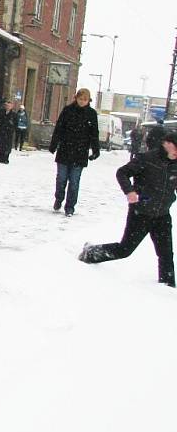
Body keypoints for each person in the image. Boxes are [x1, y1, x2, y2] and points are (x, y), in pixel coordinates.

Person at [79, 131, 177, 287]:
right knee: (124, 250)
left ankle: (167, 286)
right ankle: (90, 253)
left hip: (162, 215)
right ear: (167, 144)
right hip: (141, 213)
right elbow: (122, 173)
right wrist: (129, 191)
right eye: (176, 149)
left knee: (166, 255)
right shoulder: (147, 159)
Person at [48, 88, 100, 216]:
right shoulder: (67, 110)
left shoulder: (91, 114)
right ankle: (59, 198)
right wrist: (54, 144)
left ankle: (70, 207)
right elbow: (59, 128)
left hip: (80, 153)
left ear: (89, 101)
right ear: (76, 98)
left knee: (74, 182)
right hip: (65, 150)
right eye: (80, 99)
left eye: (85, 100)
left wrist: (95, 150)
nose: (82, 102)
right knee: (61, 179)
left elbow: (94, 133)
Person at [0, 100, 16, 164]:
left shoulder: (13, 114)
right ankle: (1, 158)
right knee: (1, 145)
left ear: (11, 106)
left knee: (7, 146)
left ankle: (6, 158)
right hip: (2, 131)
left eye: (9, 106)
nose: (7, 107)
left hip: (8, 133)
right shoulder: (2, 112)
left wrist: (11, 126)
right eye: (6, 106)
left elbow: (15, 123)